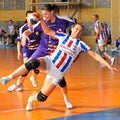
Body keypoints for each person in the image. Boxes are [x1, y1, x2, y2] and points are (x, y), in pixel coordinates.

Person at [0, 13, 118, 111]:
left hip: (58, 72)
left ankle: (31, 99)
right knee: (32, 63)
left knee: (42, 97)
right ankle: (9, 78)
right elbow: (48, 31)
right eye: (76, 28)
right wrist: (41, 19)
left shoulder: (80, 44)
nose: (78, 31)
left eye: (80, 31)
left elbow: (95, 55)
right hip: (49, 62)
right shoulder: (63, 36)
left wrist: (108, 65)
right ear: (72, 29)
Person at [7, 4, 76, 109]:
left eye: (46, 14)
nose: (44, 16)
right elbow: (28, 31)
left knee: (60, 79)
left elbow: (76, 23)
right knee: (28, 65)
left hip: (56, 52)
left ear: (52, 12)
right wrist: (25, 35)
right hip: (42, 50)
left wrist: (72, 37)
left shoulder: (63, 20)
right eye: (43, 14)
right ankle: (18, 83)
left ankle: (66, 98)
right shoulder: (41, 22)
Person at [7, 10, 41, 92]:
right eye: (29, 16)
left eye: (32, 16)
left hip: (37, 49)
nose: (31, 17)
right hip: (27, 50)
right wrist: (19, 52)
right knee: (26, 67)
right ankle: (19, 84)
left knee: (37, 69)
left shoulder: (38, 27)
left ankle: (33, 78)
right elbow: (19, 42)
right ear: (26, 17)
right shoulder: (23, 28)